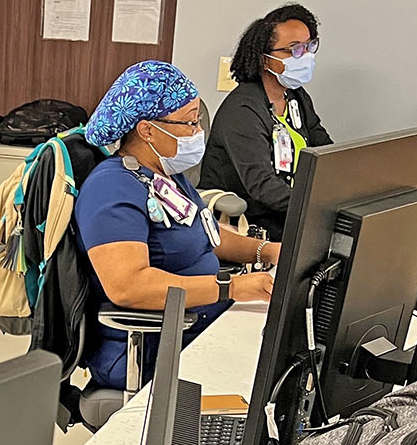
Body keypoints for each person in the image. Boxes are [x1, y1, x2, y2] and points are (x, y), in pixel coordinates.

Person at [77, 61, 280, 391]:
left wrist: (268, 250)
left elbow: (206, 236)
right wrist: (231, 289)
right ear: (147, 130)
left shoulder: (165, 176)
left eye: (197, 120)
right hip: (154, 344)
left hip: (202, 320)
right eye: (188, 123)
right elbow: (128, 286)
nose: (198, 132)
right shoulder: (112, 188)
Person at [200, 3, 332, 240]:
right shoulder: (242, 110)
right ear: (265, 59)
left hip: (290, 211)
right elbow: (262, 185)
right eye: (294, 50)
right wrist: (317, 209)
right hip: (250, 221)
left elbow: (325, 151)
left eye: (310, 46)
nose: (306, 56)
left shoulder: (296, 97)